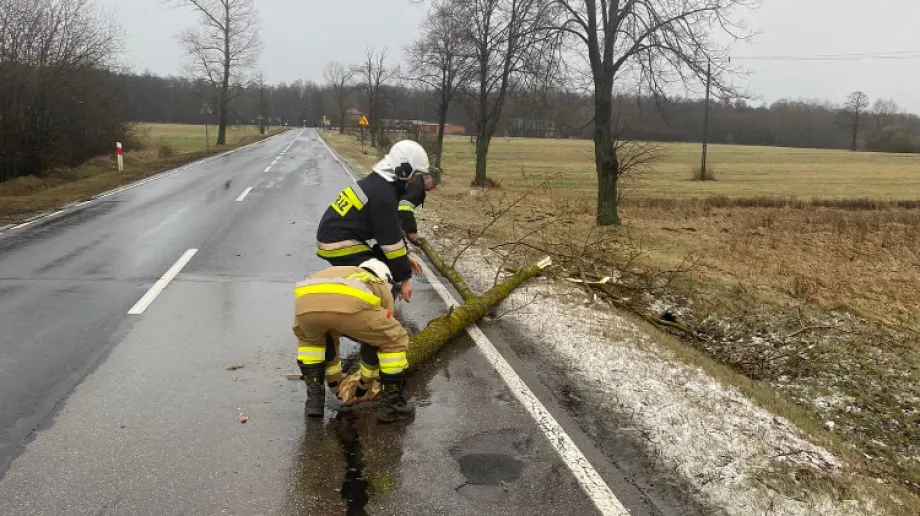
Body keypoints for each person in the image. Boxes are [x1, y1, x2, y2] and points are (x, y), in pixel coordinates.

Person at [292, 258, 415, 423]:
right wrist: (364, 386)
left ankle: (314, 401)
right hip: (349, 306)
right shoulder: (378, 283)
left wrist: (337, 388)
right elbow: (377, 342)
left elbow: (329, 346)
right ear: (385, 278)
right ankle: (392, 404)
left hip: (305, 307)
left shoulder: (343, 273)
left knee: (311, 344)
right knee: (394, 339)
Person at [315, 140, 430, 302]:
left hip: (334, 236)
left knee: (382, 259)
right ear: (403, 170)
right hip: (336, 242)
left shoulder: (379, 184)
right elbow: (391, 243)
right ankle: (365, 309)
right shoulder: (383, 194)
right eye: (413, 174)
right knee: (379, 275)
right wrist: (404, 279)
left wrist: (406, 256)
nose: (413, 179)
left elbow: (392, 228)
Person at [398, 166, 441, 245]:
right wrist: (411, 230)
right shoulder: (417, 186)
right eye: (434, 183)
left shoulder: (417, 184)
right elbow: (404, 207)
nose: (435, 187)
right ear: (426, 177)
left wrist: (405, 227)